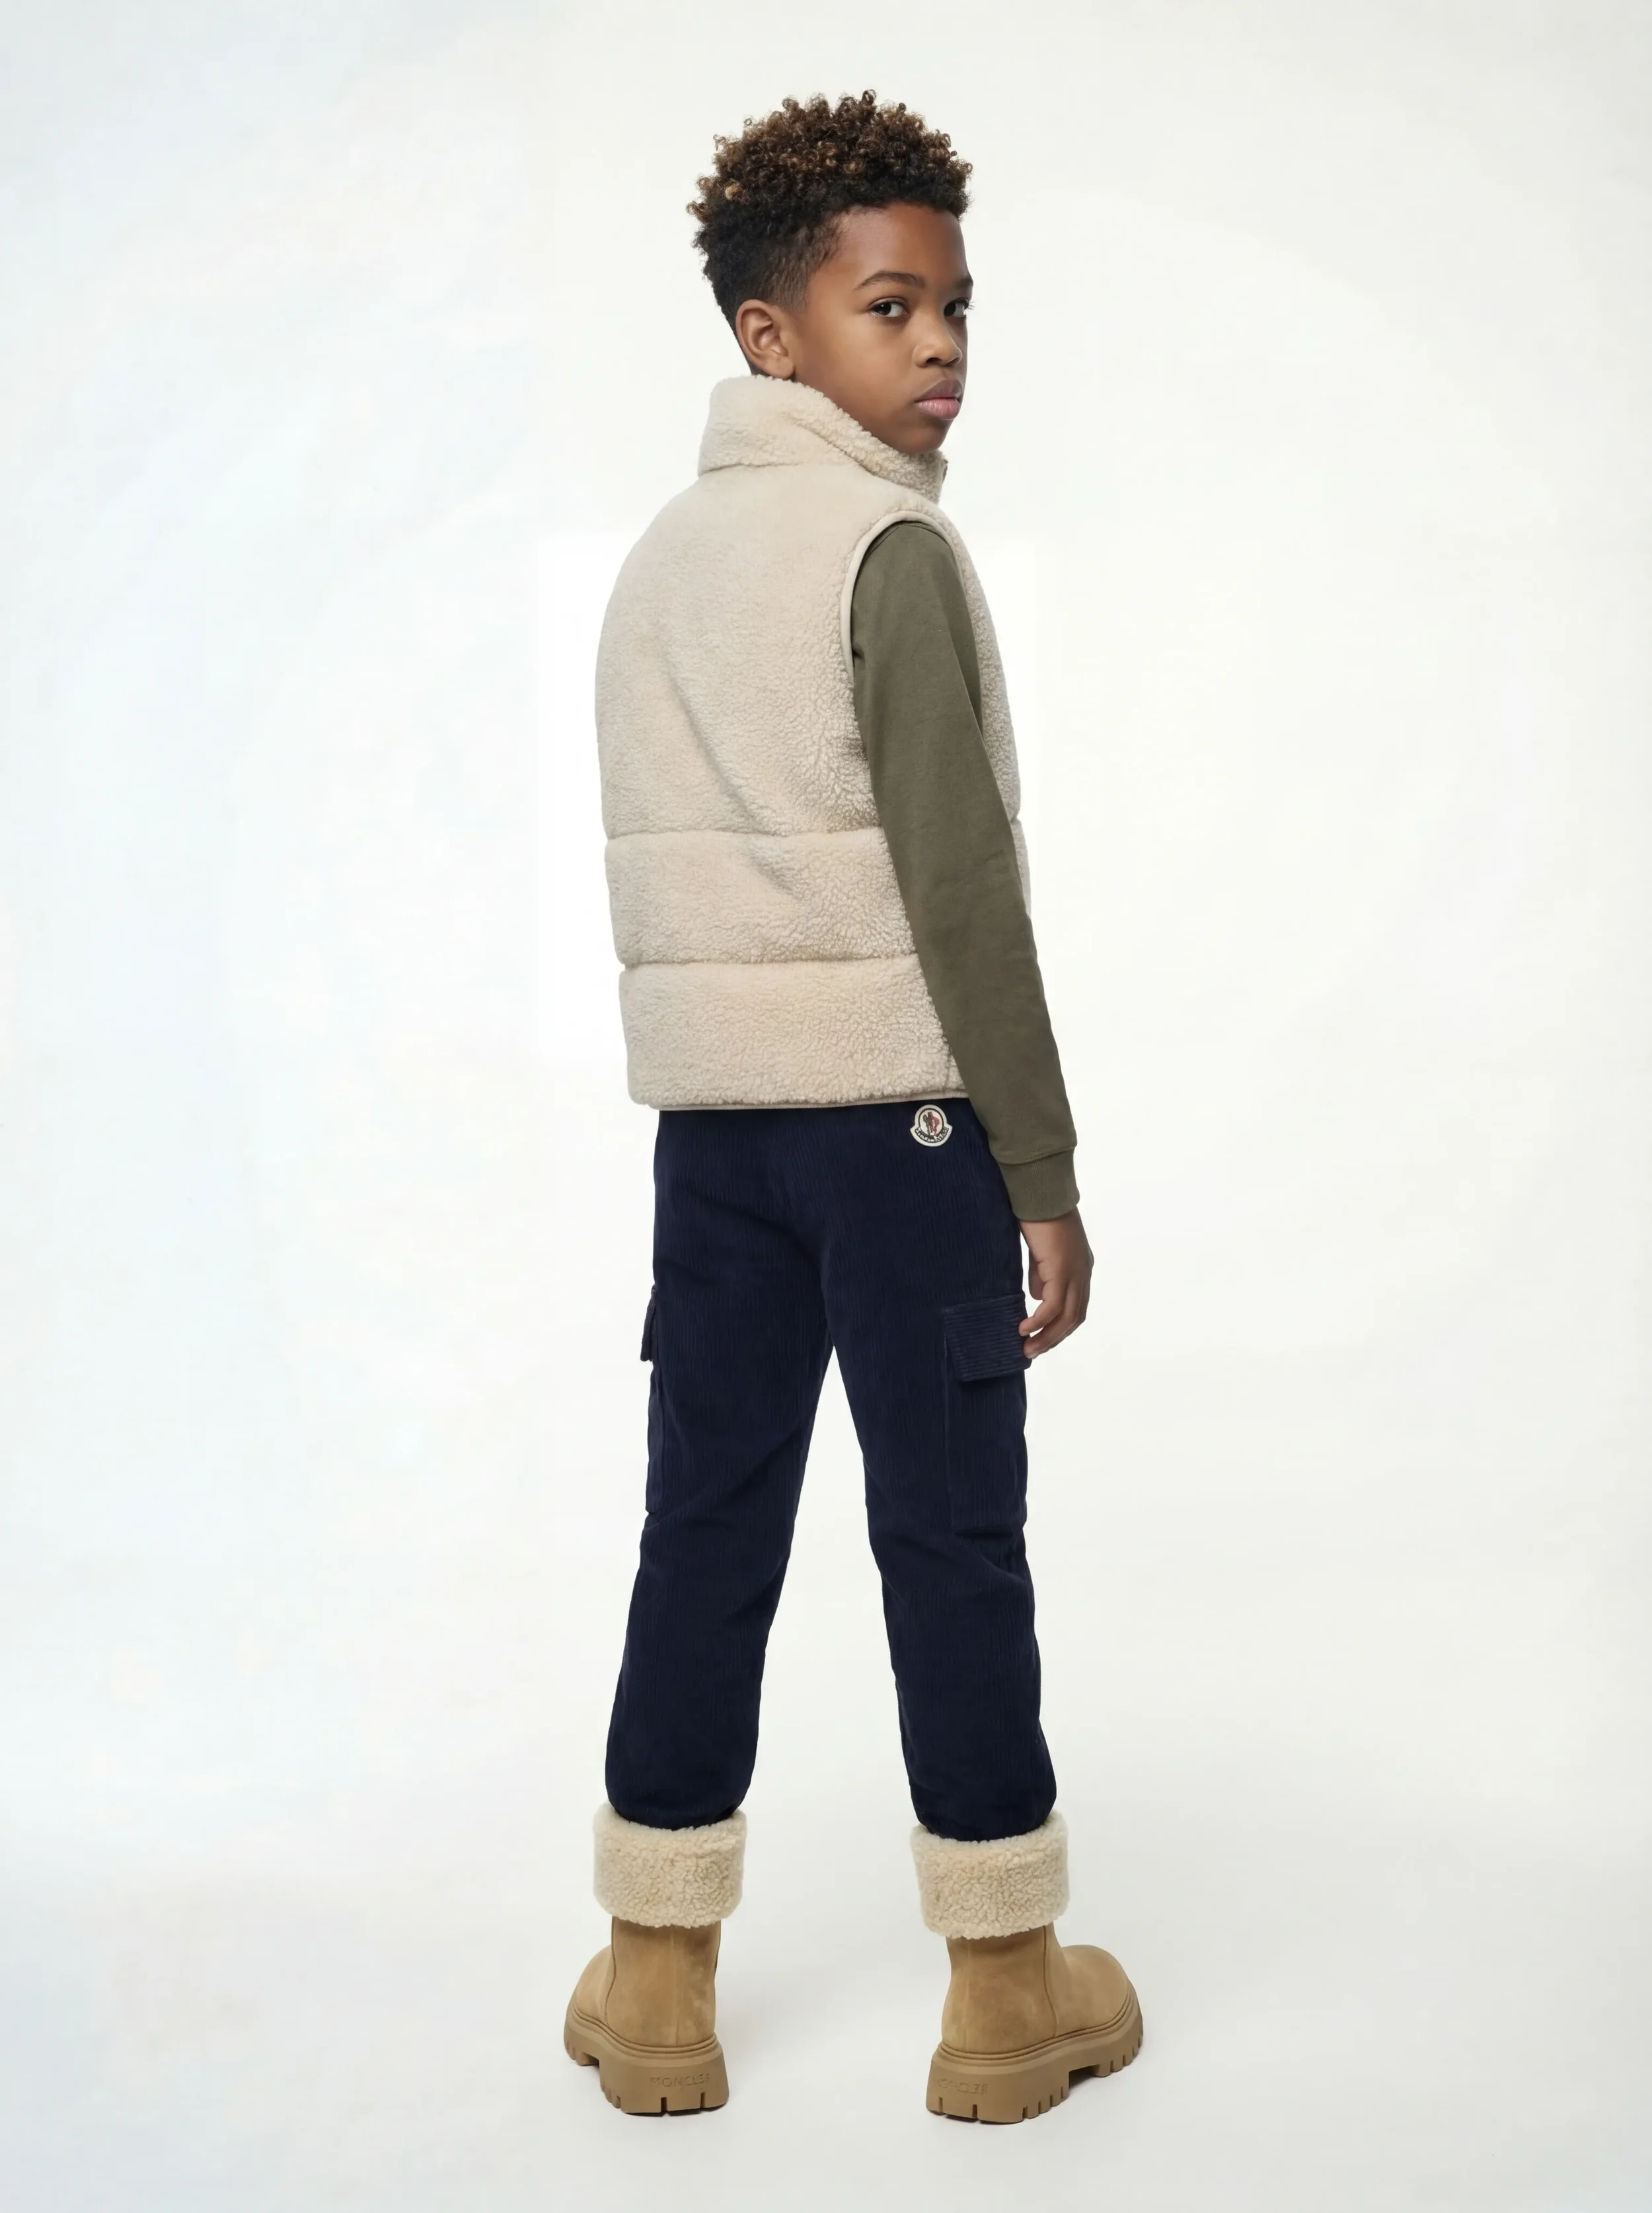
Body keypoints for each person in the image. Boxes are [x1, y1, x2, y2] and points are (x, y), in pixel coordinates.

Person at [563, 91, 1142, 2124]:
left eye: (954, 306)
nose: (939, 345)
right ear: (769, 333)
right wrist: (1038, 1170)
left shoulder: (657, 565)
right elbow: (956, 891)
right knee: (949, 1542)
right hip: (902, 1139)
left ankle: (654, 1975)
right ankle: (1003, 1985)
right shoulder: (885, 551)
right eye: (887, 307)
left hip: (714, 1145)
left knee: (702, 1530)